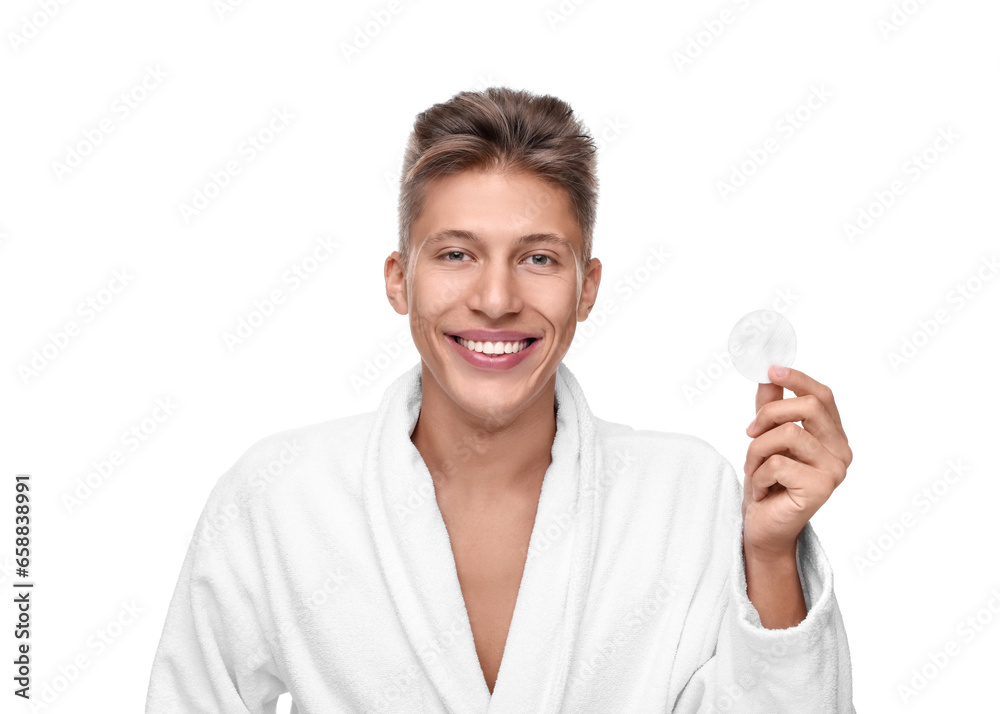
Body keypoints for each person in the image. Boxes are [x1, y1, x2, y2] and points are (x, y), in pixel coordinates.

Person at [145, 86, 855, 713]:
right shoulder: (279, 497)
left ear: (588, 288)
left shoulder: (687, 496)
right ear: (399, 279)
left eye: (539, 258)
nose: (495, 299)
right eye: (456, 253)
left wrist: (770, 555)